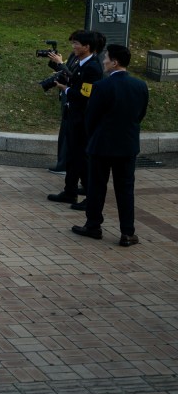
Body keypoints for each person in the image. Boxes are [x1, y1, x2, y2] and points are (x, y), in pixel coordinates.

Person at [72, 44, 149, 247]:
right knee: (125, 189)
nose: (104, 61)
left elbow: (91, 117)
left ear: (115, 62)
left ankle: (93, 225)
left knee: (97, 187)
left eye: (107, 58)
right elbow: (140, 114)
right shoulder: (140, 86)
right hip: (127, 145)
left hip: (102, 145)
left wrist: (95, 135)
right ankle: (127, 232)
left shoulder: (101, 86)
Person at [48, 30, 104, 206]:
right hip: (73, 115)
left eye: (76, 44)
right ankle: (70, 191)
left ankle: (89, 194)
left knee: (81, 157)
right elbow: (74, 80)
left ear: (87, 47)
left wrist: (65, 89)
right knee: (73, 155)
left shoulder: (92, 67)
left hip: (82, 118)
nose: (73, 47)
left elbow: (84, 94)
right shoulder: (81, 62)